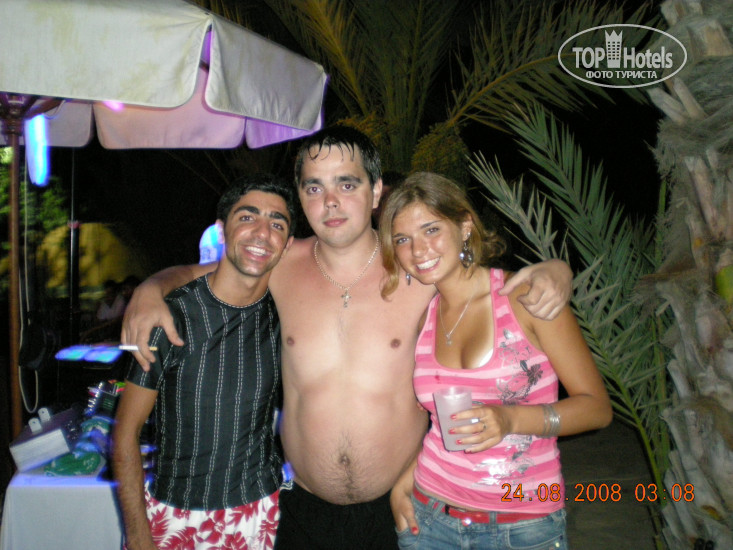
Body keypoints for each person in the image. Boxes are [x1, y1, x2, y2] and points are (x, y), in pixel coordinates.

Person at [120, 126, 574, 549]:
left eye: (347, 184)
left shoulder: (418, 271)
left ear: (376, 192)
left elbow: (487, 284)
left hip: (399, 505)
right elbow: (205, 274)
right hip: (302, 507)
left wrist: (556, 271)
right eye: (314, 188)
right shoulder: (282, 266)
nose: (331, 203)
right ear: (301, 197)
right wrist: (150, 288)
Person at [380, 172, 612, 549]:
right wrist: (404, 480)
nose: (418, 250)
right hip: (430, 517)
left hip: (522, 525)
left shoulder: (524, 299)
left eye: (431, 229)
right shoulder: (425, 317)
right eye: (402, 239)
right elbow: (441, 426)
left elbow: (597, 409)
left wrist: (511, 419)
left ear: (465, 226)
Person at [112, 173, 297, 550]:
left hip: (260, 513)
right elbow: (125, 433)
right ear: (221, 230)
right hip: (175, 516)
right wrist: (138, 535)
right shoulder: (170, 316)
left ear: (288, 244)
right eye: (247, 217)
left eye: (277, 224)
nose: (262, 233)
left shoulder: (286, 313)